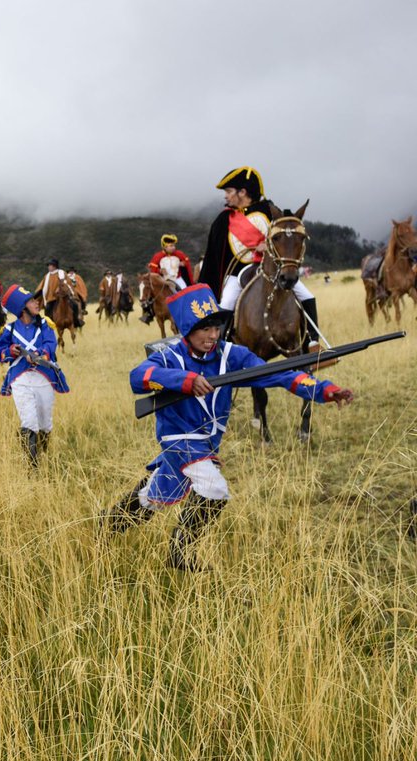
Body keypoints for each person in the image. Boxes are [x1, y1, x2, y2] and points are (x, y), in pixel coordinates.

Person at [100, 284, 353, 571]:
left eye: (216, 327)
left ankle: (106, 526)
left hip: (207, 443)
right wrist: (185, 380)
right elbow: (139, 376)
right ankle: (180, 553)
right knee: (214, 489)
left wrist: (324, 391)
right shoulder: (169, 357)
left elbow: (280, 374)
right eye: (203, 329)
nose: (212, 335)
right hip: (179, 439)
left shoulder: (232, 355)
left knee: (154, 497)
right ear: (186, 328)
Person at [203, 167, 322, 347]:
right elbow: (216, 256)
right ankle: (222, 348)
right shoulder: (224, 220)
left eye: (228, 191)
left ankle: (311, 343)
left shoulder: (269, 211)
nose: (226, 196)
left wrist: (268, 245)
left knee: (306, 295)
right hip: (238, 272)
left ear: (242, 192)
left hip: (273, 268)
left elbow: (285, 235)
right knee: (227, 301)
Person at [0, 286, 68, 467]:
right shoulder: (9, 330)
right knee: (28, 421)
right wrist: (11, 350)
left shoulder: (45, 325)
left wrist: (39, 353)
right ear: (21, 307)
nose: (37, 303)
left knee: (45, 423)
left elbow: (51, 345)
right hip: (20, 379)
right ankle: (32, 467)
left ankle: (41, 455)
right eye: (31, 301)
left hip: (44, 377)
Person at [38, 258, 85, 328]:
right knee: (47, 309)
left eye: (50, 265)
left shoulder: (62, 273)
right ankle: (49, 325)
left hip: (64, 296)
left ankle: (76, 321)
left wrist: (61, 289)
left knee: (75, 305)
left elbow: (67, 283)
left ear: (54, 266)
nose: (48, 267)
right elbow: (42, 287)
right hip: (52, 298)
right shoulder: (47, 276)